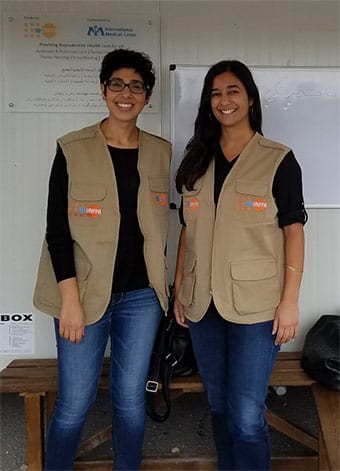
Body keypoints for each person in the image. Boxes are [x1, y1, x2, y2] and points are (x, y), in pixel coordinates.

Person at [33, 48, 171, 471]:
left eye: (136, 86)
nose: (125, 94)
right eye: (117, 84)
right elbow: (57, 231)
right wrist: (69, 301)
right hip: (83, 295)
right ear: (103, 90)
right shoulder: (72, 148)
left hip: (142, 298)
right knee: (75, 402)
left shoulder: (161, 152)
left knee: (130, 400)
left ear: (147, 96)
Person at [174, 60, 307, 471]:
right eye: (215, 93)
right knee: (218, 406)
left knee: (247, 414)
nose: (224, 100)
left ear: (249, 99)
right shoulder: (196, 158)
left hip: (257, 308)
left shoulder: (277, 159)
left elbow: (293, 232)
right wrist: (179, 288)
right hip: (203, 307)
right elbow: (186, 231)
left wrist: (290, 302)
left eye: (233, 91)